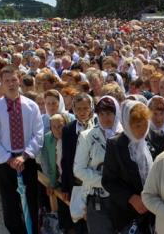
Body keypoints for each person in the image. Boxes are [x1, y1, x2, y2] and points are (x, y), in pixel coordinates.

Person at [0, 66, 44, 234]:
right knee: (9, 201)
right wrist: (8, 158)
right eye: (7, 81)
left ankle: (32, 229)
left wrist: (24, 156)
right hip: (6, 161)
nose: (11, 84)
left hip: (26, 159)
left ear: (19, 80)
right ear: (1, 84)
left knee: (31, 199)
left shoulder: (31, 106)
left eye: (13, 80)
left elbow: (38, 133)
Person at [102, 100, 154, 233]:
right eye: (137, 125)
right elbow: (108, 181)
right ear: (127, 124)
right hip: (127, 214)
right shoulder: (116, 145)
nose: (142, 129)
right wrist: (130, 198)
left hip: (153, 210)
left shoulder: (153, 139)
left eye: (145, 124)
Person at [73, 96, 122, 234]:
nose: (105, 118)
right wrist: (105, 182)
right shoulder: (87, 136)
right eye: (101, 114)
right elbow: (79, 170)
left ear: (116, 113)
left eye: (109, 113)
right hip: (98, 199)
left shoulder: (125, 135)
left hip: (121, 198)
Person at [61, 92, 96, 233]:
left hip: (93, 179)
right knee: (79, 218)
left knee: (94, 217)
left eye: (85, 108)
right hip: (76, 182)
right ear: (74, 109)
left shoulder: (97, 126)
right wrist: (65, 186)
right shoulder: (68, 129)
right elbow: (66, 159)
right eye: (79, 108)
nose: (82, 112)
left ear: (91, 108)